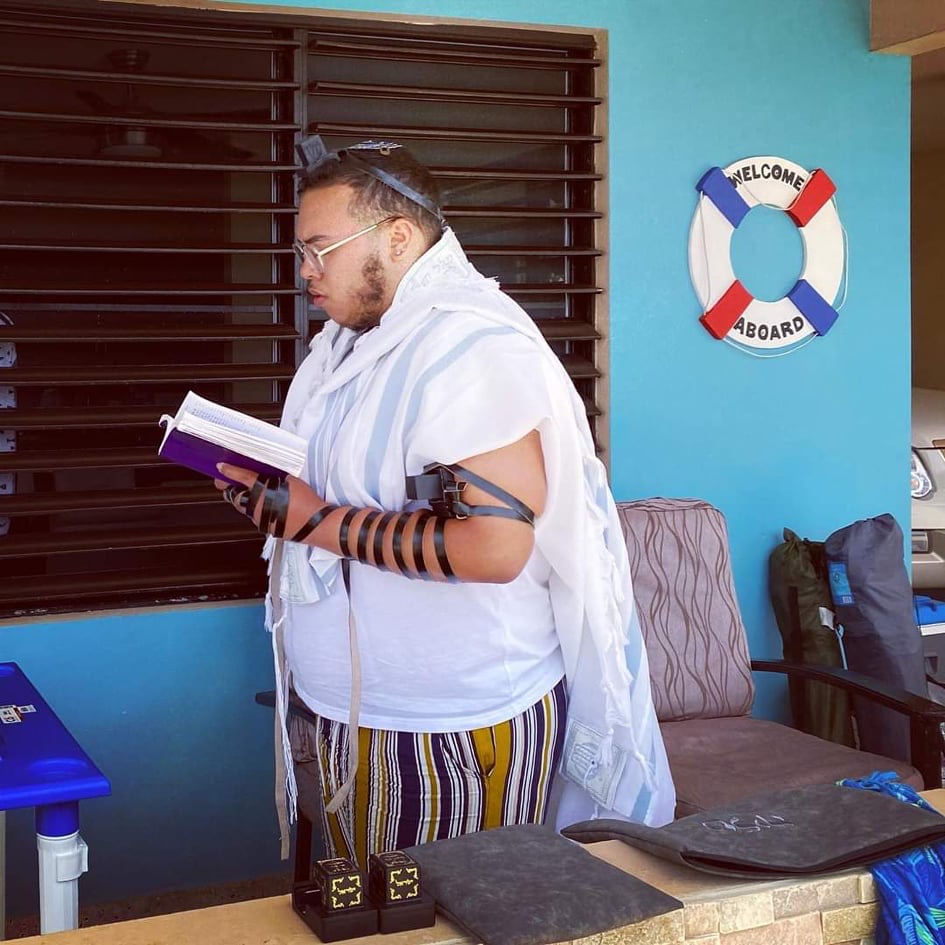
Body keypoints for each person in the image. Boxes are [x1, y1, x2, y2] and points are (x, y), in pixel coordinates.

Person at [215, 135, 675, 866]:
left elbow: (493, 547)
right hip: (356, 715)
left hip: (447, 729)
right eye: (301, 251)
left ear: (397, 237)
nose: (305, 271)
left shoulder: (468, 348)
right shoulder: (347, 348)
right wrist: (268, 497)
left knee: (455, 917)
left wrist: (307, 520)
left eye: (320, 248)